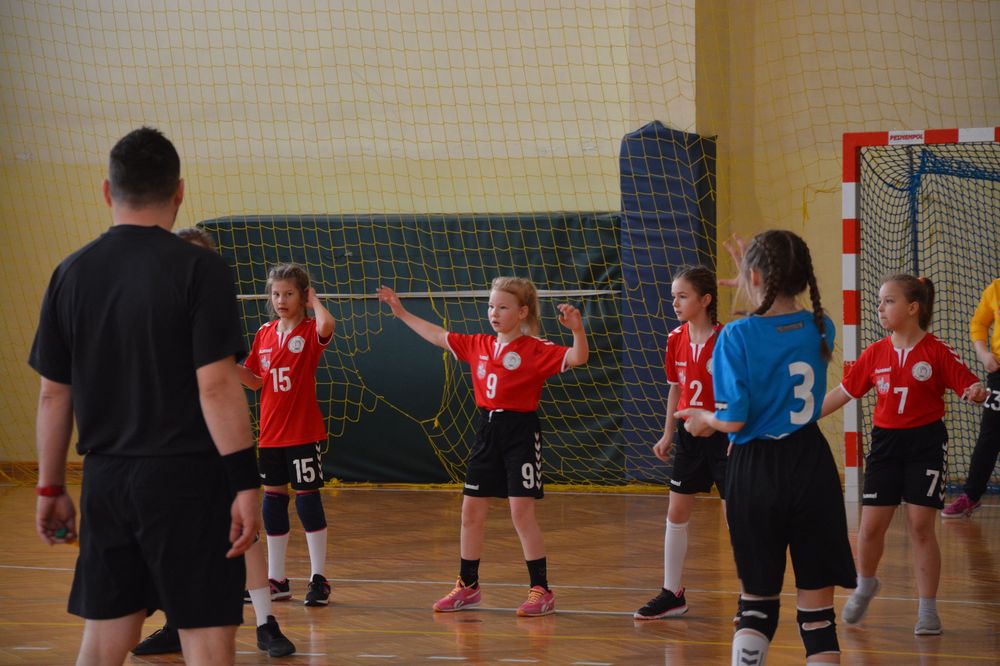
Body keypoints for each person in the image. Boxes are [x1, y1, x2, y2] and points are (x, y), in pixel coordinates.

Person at [30, 127, 260, 666]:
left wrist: (50, 486)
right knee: (206, 637)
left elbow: (53, 396)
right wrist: (245, 483)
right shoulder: (201, 268)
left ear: (106, 191)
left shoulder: (70, 272)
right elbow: (216, 385)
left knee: (103, 639)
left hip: (106, 480)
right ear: (179, 192)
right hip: (189, 481)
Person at [678, 230, 857, 665]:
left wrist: (704, 419)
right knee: (818, 617)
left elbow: (734, 419)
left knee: (756, 606)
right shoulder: (821, 325)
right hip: (812, 464)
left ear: (755, 276)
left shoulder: (736, 335)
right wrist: (755, 276)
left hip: (756, 467)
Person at [376, 277, 588, 617]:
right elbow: (438, 335)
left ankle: (541, 590)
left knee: (521, 512)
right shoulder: (478, 344)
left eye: (502, 307)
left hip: (520, 432)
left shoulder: (535, 348)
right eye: (491, 306)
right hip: (487, 430)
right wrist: (400, 312)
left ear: (522, 312)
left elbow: (578, 357)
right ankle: (468, 586)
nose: (494, 313)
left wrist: (577, 329)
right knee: (470, 512)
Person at [132, 228, 295, 658]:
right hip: (164, 446)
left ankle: (266, 623)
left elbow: (231, 386)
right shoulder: (150, 314)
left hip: (216, 443)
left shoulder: (212, 313)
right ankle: (175, 622)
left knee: (245, 533)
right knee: (173, 537)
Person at [821, 274, 987, 636]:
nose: (880, 308)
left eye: (889, 301)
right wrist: (803, 417)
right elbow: (843, 392)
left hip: (925, 445)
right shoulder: (874, 353)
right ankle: (866, 584)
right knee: (870, 529)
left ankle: (927, 610)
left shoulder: (937, 351)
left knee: (921, 527)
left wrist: (975, 390)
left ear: (913, 308)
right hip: (885, 446)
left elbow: (967, 383)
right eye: (880, 302)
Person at [634, 266, 729, 620]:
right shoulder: (675, 338)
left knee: (735, 517)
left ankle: (750, 595)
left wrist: (727, 428)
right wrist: (668, 433)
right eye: (673, 296)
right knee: (676, 512)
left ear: (705, 300)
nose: (674, 303)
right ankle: (672, 592)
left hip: (723, 435)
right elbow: (676, 387)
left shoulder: (726, 340)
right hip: (689, 436)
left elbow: (740, 391)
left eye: (683, 296)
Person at [240, 263, 336, 607]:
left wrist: (315, 302)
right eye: (276, 294)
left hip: (303, 432)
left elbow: (327, 326)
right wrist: (225, 365)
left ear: (303, 295)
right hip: (271, 435)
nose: (281, 300)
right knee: (273, 503)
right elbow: (255, 381)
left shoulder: (309, 330)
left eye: (289, 294)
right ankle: (277, 579)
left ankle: (318, 578)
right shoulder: (264, 333)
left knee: (308, 501)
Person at [942, 277, 1000, 518]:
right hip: (999, 373)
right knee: (990, 436)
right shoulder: (996, 288)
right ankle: (971, 496)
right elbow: (979, 323)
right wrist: (984, 354)